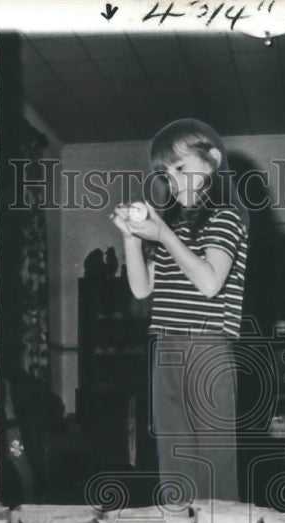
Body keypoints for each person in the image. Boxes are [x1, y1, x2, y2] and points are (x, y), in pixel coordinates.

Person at [111, 119, 248, 503]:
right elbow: (141, 289)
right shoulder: (174, 225)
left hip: (206, 349)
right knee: (174, 465)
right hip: (166, 350)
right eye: (165, 175)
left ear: (213, 162)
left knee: (214, 466)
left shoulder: (226, 217)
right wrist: (131, 239)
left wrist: (164, 237)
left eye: (181, 169)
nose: (172, 182)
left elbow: (210, 282)